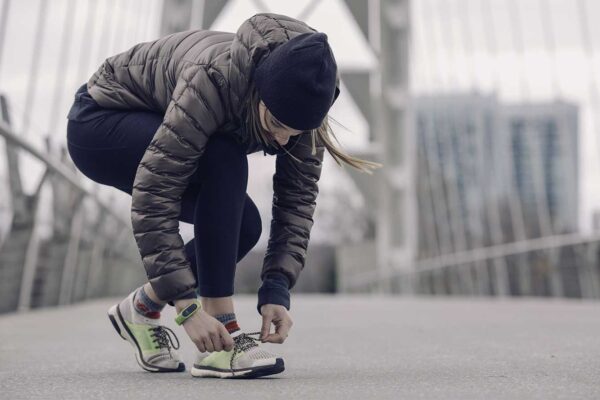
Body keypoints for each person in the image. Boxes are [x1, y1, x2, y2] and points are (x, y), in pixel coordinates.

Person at [66, 12, 380, 379]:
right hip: (100, 122)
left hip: (161, 129)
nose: (283, 140)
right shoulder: (212, 80)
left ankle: (142, 307)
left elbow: (297, 202)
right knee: (224, 154)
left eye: (295, 132)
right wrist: (187, 307)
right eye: (276, 124)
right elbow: (155, 194)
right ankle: (222, 336)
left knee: (243, 226)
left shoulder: (309, 100)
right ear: (260, 92)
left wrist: (276, 289)